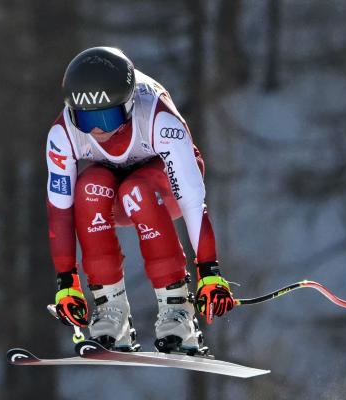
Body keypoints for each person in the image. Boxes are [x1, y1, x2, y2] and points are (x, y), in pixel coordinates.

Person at [46, 46, 235, 354]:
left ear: (130, 103)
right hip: (113, 194)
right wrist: (67, 281)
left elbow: (191, 202)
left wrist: (209, 272)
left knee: (136, 191)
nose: (96, 130)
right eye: (85, 119)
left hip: (163, 189)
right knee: (88, 188)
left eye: (107, 118)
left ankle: (178, 314)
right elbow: (60, 211)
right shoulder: (62, 133)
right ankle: (111, 314)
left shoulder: (159, 118)